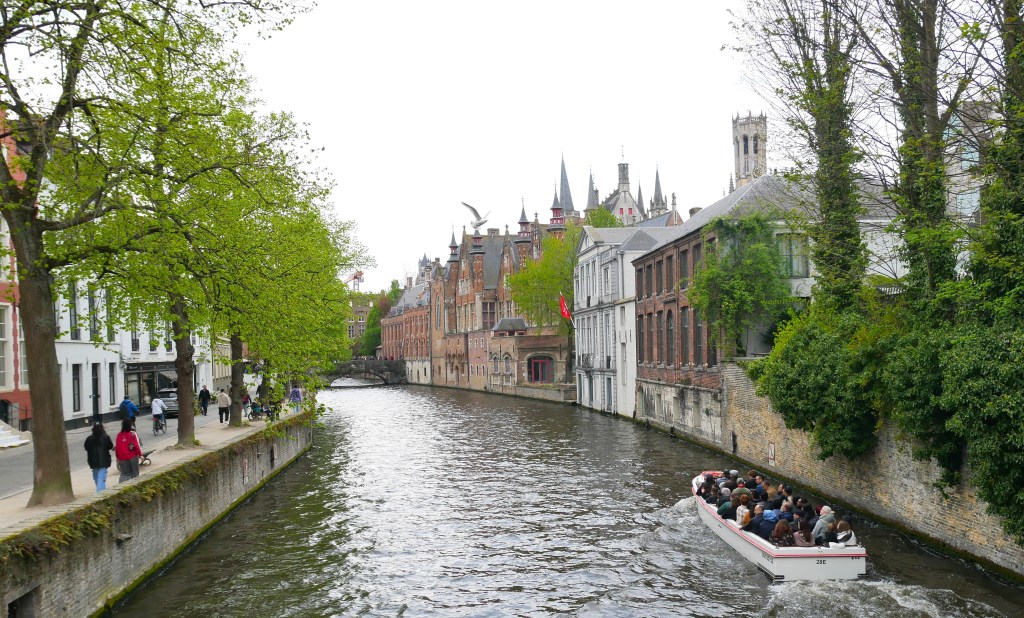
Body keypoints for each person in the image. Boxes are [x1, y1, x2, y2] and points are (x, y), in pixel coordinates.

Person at [84, 423, 114, 492]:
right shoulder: (105, 437)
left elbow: (86, 448)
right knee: (100, 477)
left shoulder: (89, 439)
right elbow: (110, 446)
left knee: (96, 478)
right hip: (104, 461)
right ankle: (101, 492)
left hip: (93, 462)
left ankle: (101, 491)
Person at [115, 418, 142, 482]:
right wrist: (140, 455)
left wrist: (117, 457)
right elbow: (137, 445)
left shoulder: (119, 435)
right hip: (133, 457)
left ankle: (122, 487)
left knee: (124, 474)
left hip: (122, 458)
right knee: (135, 474)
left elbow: (117, 447)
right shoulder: (132, 434)